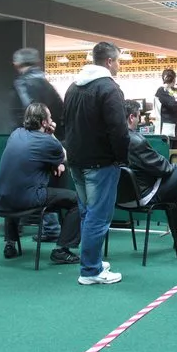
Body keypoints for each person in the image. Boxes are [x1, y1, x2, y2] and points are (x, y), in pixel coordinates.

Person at [64, 42, 129, 285]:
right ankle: (90, 271)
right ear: (109, 61)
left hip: (76, 161)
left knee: (87, 214)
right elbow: (119, 130)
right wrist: (121, 158)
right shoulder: (109, 88)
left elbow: (65, 123)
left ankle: (93, 261)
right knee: (98, 217)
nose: (119, 66)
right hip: (101, 163)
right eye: (118, 61)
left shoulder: (73, 87)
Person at [0, 103, 81, 264]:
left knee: (14, 187)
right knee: (77, 201)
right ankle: (62, 249)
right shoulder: (48, 142)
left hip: (1, 200)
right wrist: (52, 135)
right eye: (50, 117)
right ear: (44, 122)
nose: (52, 120)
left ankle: (10, 244)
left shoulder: (16, 134)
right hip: (28, 199)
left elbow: (29, 159)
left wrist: (54, 163)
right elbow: (67, 157)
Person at [124, 99, 177, 249]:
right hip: (143, 196)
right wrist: (173, 168)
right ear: (131, 117)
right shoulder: (136, 141)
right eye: (138, 116)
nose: (140, 120)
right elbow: (164, 168)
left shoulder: (112, 137)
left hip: (119, 199)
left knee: (171, 191)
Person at [10, 47, 66, 242]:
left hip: (29, 143)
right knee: (46, 183)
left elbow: (26, 114)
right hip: (50, 142)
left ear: (17, 64)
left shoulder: (22, 85)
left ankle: (15, 232)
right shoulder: (46, 84)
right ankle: (51, 226)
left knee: (20, 183)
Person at [154, 68, 177, 149]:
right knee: (168, 156)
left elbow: (172, 112)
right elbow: (174, 106)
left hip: (172, 132)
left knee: (174, 155)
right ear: (173, 79)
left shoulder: (167, 92)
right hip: (166, 133)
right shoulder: (161, 91)